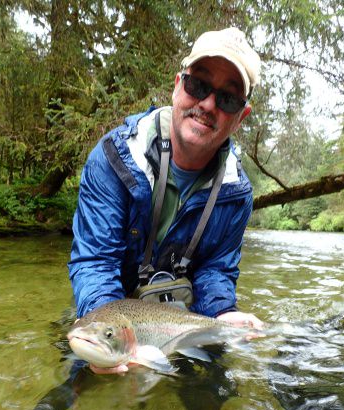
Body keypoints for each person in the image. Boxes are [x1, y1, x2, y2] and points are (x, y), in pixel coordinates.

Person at [68, 27, 263, 374]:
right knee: (70, 393)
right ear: (178, 85)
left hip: (183, 318)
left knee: (214, 392)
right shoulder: (113, 158)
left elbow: (216, 269)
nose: (207, 104)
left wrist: (224, 314)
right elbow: (96, 261)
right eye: (198, 86)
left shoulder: (236, 194)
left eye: (227, 99)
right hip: (110, 312)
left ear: (240, 117)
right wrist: (108, 328)